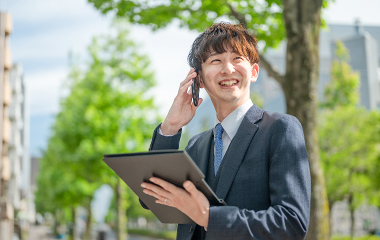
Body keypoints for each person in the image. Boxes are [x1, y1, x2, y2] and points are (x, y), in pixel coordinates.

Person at [140, 22, 311, 240]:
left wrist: (209, 217)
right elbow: (150, 198)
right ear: (198, 79)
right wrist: (171, 127)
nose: (228, 69)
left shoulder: (280, 129)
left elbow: (291, 223)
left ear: (254, 72)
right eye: (216, 60)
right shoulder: (196, 144)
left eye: (237, 59)